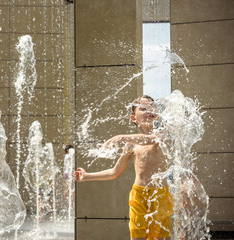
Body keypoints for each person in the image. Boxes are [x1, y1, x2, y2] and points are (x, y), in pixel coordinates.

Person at [74, 95, 173, 240]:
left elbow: (149, 140)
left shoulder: (162, 134)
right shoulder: (131, 145)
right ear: (133, 118)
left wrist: (121, 136)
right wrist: (87, 176)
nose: (149, 111)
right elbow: (115, 172)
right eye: (144, 108)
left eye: (152, 107)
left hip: (161, 196)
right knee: (137, 237)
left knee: (161, 238)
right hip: (139, 196)